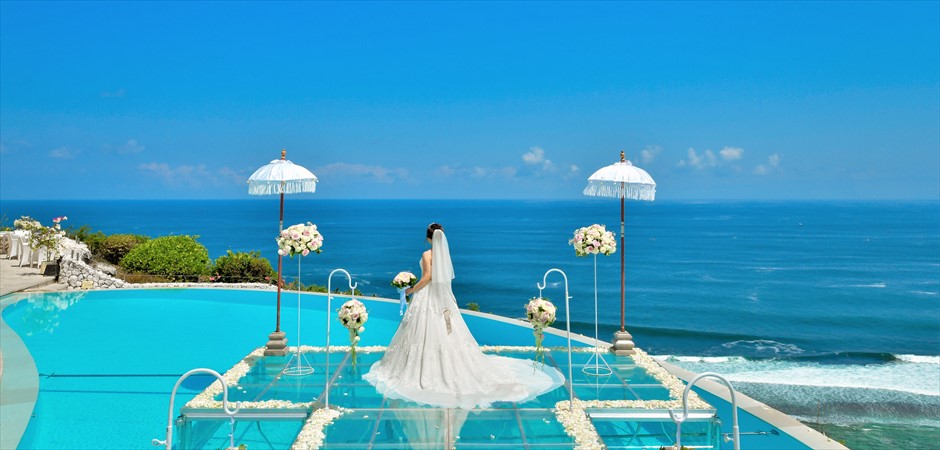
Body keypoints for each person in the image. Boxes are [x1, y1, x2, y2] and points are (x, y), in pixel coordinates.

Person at [363, 223, 564, 409]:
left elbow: (427, 277)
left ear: (427, 238)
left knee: (422, 332)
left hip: (427, 298)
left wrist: (409, 290)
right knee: (446, 333)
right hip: (443, 300)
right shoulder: (444, 256)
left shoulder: (427, 254)